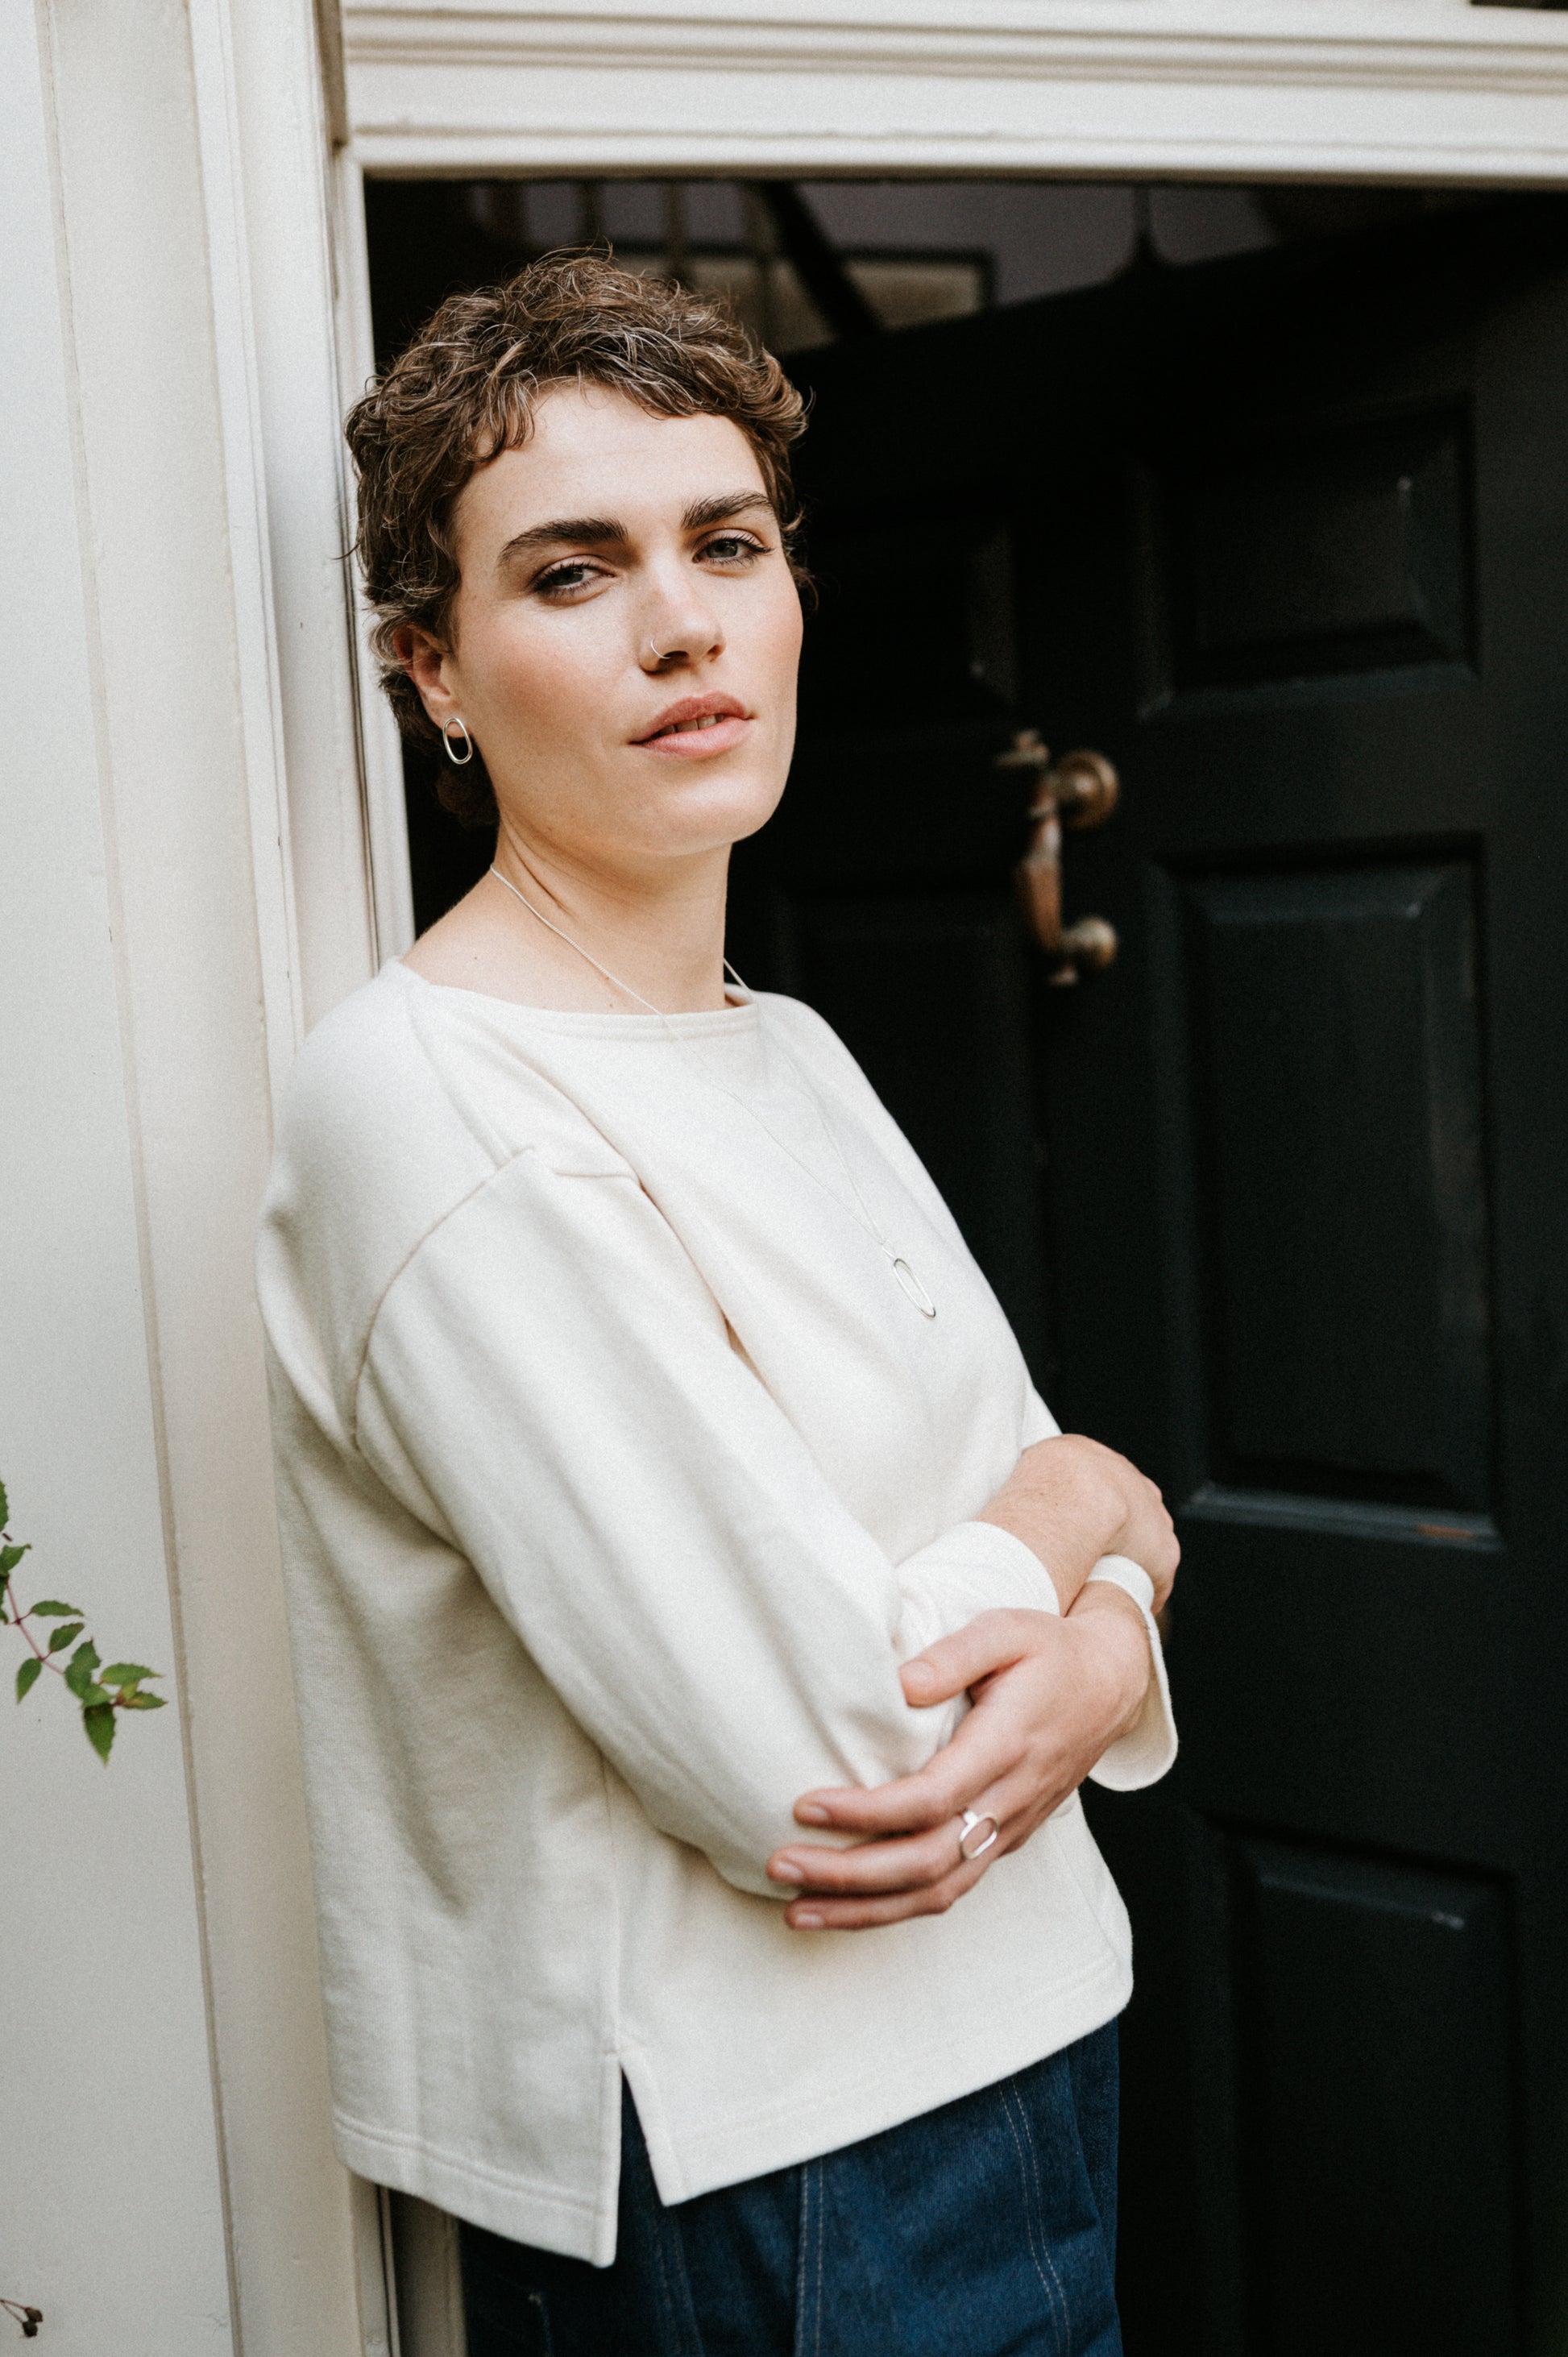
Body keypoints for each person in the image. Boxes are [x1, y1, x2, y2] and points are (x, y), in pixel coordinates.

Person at [257, 253, 1180, 2356]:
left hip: (1030, 2030)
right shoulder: (432, 1103)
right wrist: (1092, 1519)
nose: (681, 623)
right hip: (763, 2149)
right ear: (432, 670)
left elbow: (1035, 1530)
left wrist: (1112, 1608)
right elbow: (831, 1769)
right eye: (572, 572)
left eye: (728, 544)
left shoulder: (787, 1044)